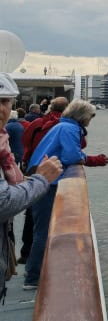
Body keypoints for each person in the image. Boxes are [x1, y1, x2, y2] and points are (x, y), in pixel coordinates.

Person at [24, 99, 108, 290]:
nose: (90, 120)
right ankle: (32, 278)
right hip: (48, 183)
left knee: (42, 228)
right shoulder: (69, 129)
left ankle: (35, 272)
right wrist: (93, 160)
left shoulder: (61, 126)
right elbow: (73, 156)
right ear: (82, 116)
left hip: (40, 179)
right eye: (90, 117)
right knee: (43, 231)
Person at [0, 73, 64, 303]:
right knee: (40, 231)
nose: (1, 109)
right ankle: (33, 276)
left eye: (5, 101)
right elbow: (3, 202)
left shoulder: (4, 140)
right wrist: (41, 180)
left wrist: (28, 178)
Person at [18, 96, 70, 264]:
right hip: (53, 171)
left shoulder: (37, 123)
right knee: (46, 217)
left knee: (31, 212)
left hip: (31, 166)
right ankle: (42, 262)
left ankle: (26, 253)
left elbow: (25, 140)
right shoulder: (64, 126)